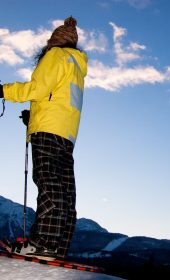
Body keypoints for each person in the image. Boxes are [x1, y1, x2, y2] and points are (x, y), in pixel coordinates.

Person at [0, 16, 88, 261]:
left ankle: (42, 243)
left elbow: (37, 89)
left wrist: (3, 90)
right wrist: (34, 114)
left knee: (48, 182)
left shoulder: (55, 57)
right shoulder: (77, 67)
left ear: (53, 42)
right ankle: (58, 245)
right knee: (64, 190)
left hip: (47, 131)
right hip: (66, 134)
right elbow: (57, 99)